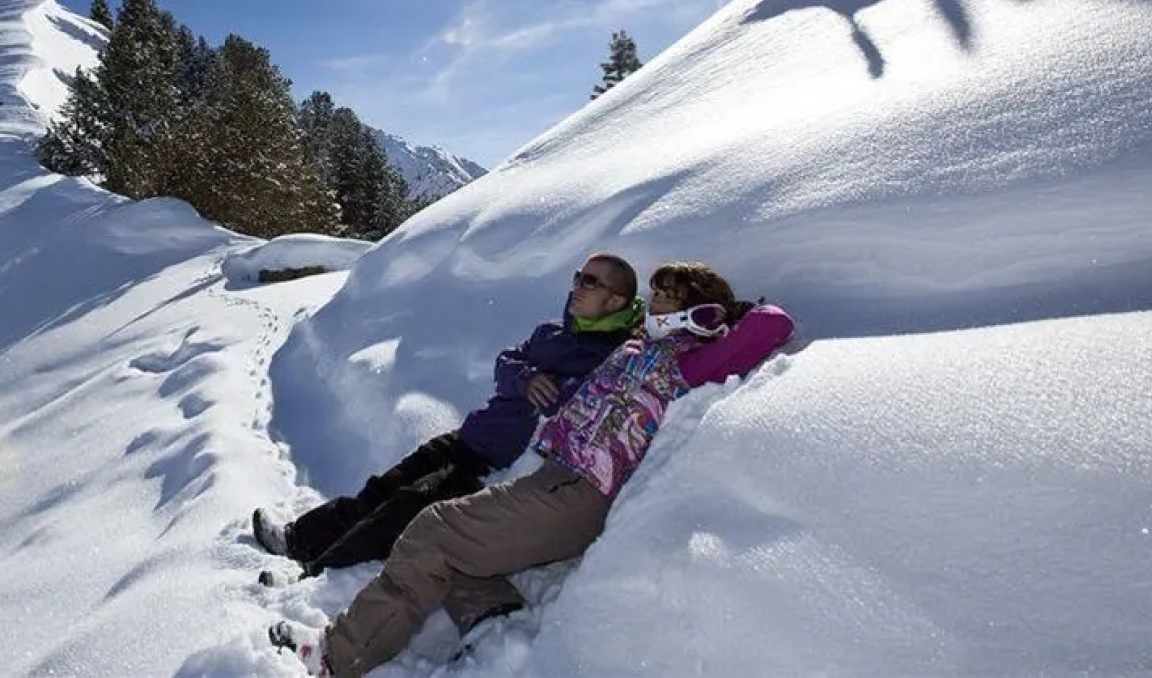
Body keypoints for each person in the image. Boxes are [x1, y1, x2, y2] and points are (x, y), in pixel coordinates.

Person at [271, 261, 795, 677]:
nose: (651, 305)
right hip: (556, 479)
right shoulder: (640, 343)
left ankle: (338, 657)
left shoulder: (686, 360)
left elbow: (774, 326)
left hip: (579, 491)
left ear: (691, 314)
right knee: (460, 534)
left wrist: (721, 315)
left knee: (435, 527)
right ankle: (492, 619)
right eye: (653, 295)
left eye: (664, 298)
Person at [252, 254, 644, 578]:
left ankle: (316, 575)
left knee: (400, 512)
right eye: (578, 276)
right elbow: (507, 360)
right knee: (384, 487)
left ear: (616, 300)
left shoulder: (613, 357)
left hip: (497, 467)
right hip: (470, 435)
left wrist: (552, 393)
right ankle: (298, 538)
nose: (576, 286)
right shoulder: (552, 332)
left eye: (590, 282)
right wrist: (525, 378)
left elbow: (582, 414)